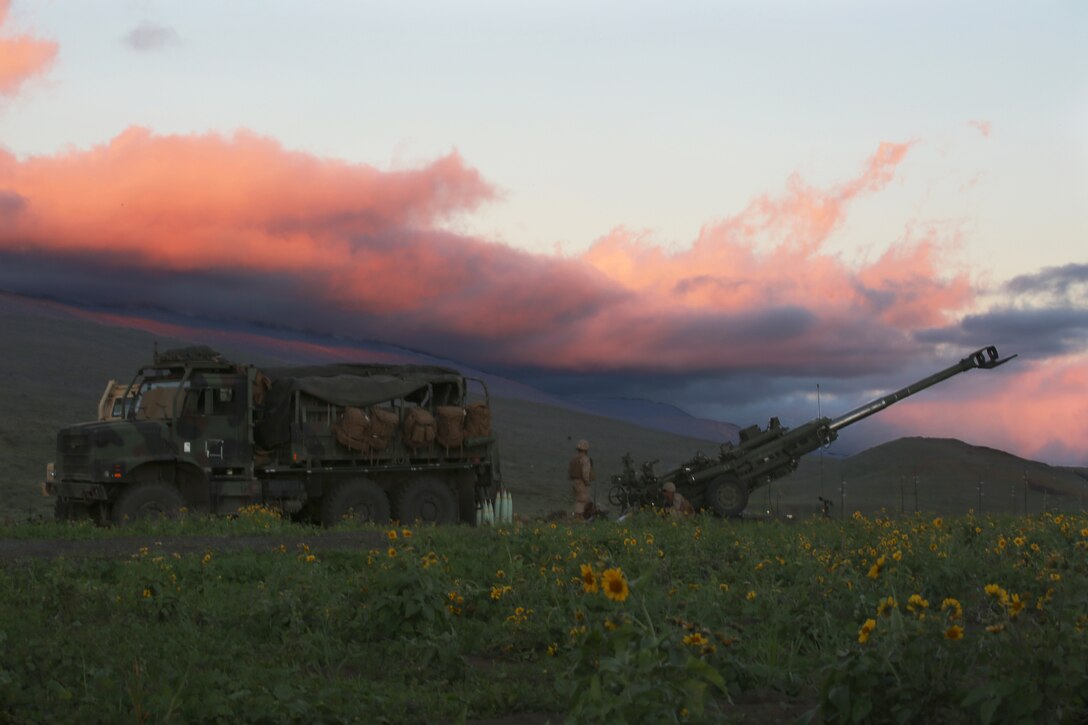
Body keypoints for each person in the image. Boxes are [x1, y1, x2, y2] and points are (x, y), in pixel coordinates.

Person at [569, 439, 595, 520]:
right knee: (581, 500)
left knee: (577, 499)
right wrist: (587, 481)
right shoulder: (585, 459)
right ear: (586, 449)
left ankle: (577, 517)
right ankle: (579, 518)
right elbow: (585, 472)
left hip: (574, 481)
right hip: (581, 482)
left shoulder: (574, 458)